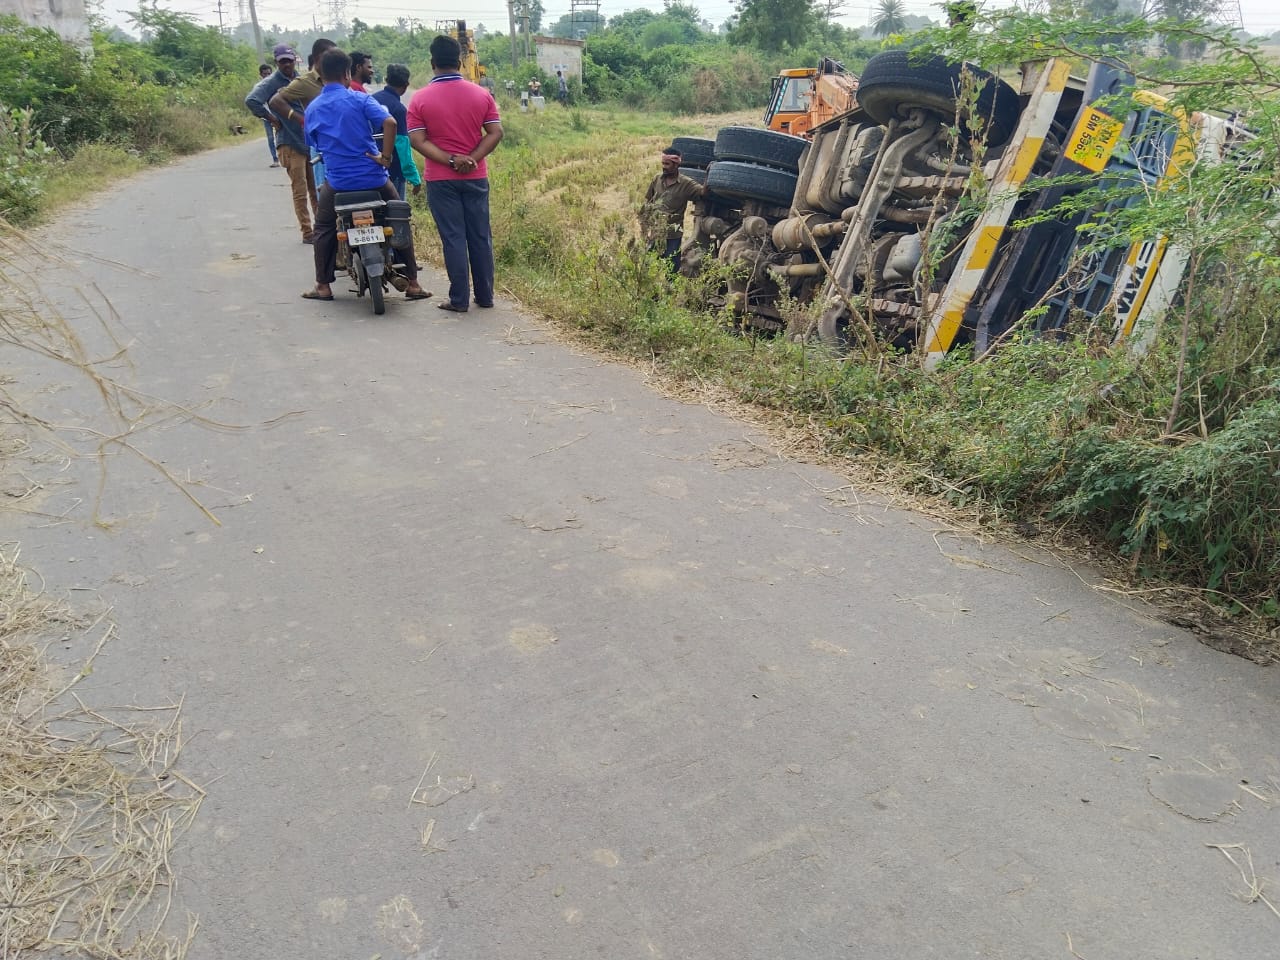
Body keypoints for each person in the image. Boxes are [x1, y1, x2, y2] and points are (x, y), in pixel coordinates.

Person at [301, 48, 431, 304]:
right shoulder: (360, 99)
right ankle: (414, 283)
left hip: (338, 184)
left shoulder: (313, 108)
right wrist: (385, 157)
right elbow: (390, 123)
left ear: (320, 74)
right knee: (398, 216)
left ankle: (323, 286)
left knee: (323, 227)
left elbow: (313, 142)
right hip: (374, 179)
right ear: (347, 73)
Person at [406, 34, 504, 313]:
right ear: (460, 62)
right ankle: (485, 296)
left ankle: (459, 299)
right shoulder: (481, 94)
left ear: (432, 62)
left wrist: (451, 160)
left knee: (453, 238)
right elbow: (495, 132)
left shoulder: (419, 99)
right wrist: (471, 159)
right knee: (480, 237)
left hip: (441, 179)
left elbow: (418, 140)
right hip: (475, 176)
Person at [246, 45, 317, 241]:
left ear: (295, 60)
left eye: (289, 60)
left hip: (309, 141)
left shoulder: (300, 79)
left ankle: (321, 228)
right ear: (276, 62)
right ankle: (307, 231)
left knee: (316, 188)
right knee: (300, 189)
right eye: (282, 61)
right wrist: (272, 119)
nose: (287, 64)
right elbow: (252, 100)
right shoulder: (271, 82)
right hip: (289, 142)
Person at [269, 37, 337, 200]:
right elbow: (275, 101)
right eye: (330, 56)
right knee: (321, 192)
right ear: (318, 58)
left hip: (339, 142)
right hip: (319, 145)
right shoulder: (304, 82)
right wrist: (300, 119)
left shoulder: (337, 78)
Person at [640, 146, 706, 273]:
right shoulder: (657, 179)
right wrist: (644, 225)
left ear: (676, 165)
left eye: (667, 164)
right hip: (656, 232)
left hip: (673, 235)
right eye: (663, 163)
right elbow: (648, 202)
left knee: (672, 268)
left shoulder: (686, 184)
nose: (664, 167)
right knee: (647, 265)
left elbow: (703, 193)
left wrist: (709, 175)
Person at [372, 63, 422, 201]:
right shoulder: (399, 109)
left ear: (386, 80)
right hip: (393, 170)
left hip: (371, 166)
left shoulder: (371, 100)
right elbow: (402, 146)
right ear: (406, 85)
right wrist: (414, 177)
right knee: (396, 209)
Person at [256, 64, 279, 166]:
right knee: (270, 138)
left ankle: (282, 156)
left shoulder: (275, 84)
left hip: (278, 115)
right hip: (266, 116)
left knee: (280, 137)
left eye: (269, 73)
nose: (267, 76)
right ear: (261, 74)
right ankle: (275, 159)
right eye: (265, 74)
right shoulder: (258, 87)